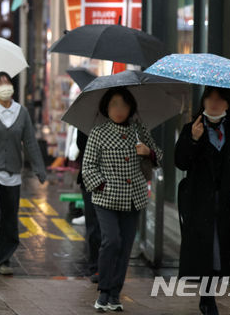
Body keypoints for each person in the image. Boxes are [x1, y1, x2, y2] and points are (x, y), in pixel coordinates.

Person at [175, 87, 230, 315]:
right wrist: (193, 140)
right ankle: (208, 298)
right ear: (203, 102)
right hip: (198, 202)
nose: (213, 103)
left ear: (227, 105)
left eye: (219, 99)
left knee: (219, 251)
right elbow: (180, 162)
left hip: (225, 204)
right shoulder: (191, 128)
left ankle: (207, 295)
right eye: (209, 98)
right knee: (206, 250)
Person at [81, 87, 162, 311]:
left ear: (131, 108)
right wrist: (103, 185)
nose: (119, 109)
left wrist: (148, 152)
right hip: (106, 198)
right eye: (114, 104)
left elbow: (159, 157)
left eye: (124, 105)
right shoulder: (98, 132)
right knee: (112, 241)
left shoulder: (140, 130)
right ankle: (104, 290)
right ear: (106, 107)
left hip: (133, 198)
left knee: (126, 245)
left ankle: (115, 293)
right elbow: (88, 166)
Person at [0, 72, 47, 276]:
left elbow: (30, 141)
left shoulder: (21, 112)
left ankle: (4, 259)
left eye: (8, 82)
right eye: (0, 83)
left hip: (12, 172)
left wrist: (40, 170)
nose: (5, 86)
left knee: (9, 217)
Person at [73, 128, 101, 283]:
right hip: (90, 179)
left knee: (109, 230)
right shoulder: (87, 121)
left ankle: (107, 265)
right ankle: (95, 266)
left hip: (116, 182)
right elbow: (81, 144)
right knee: (94, 226)